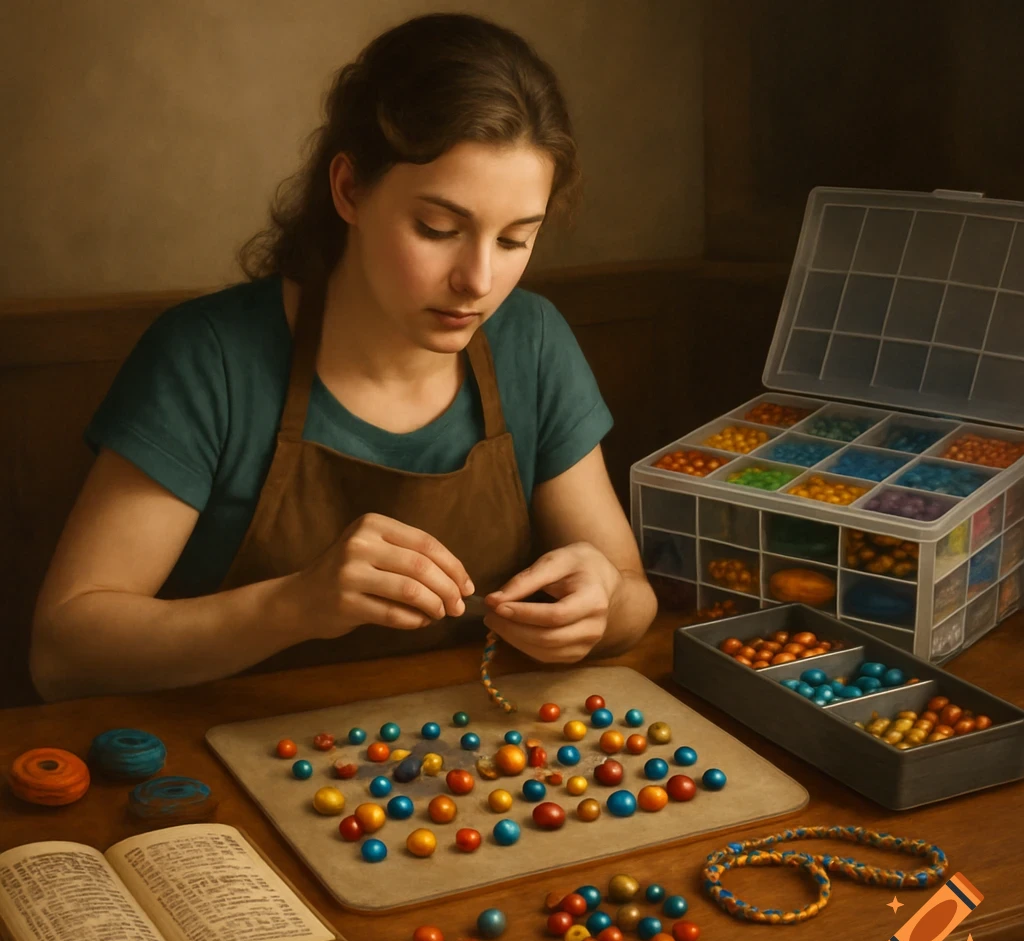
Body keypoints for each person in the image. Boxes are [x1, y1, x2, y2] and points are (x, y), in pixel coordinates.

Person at [29, 12, 657, 702]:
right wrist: (294, 606)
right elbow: (63, 651)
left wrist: (598, 610)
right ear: (349, 190)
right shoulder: (208, 358)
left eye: (514, 240)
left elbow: (632, 597)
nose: (479, 281)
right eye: (438, 228)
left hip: (457, 765)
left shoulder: (531, 342)